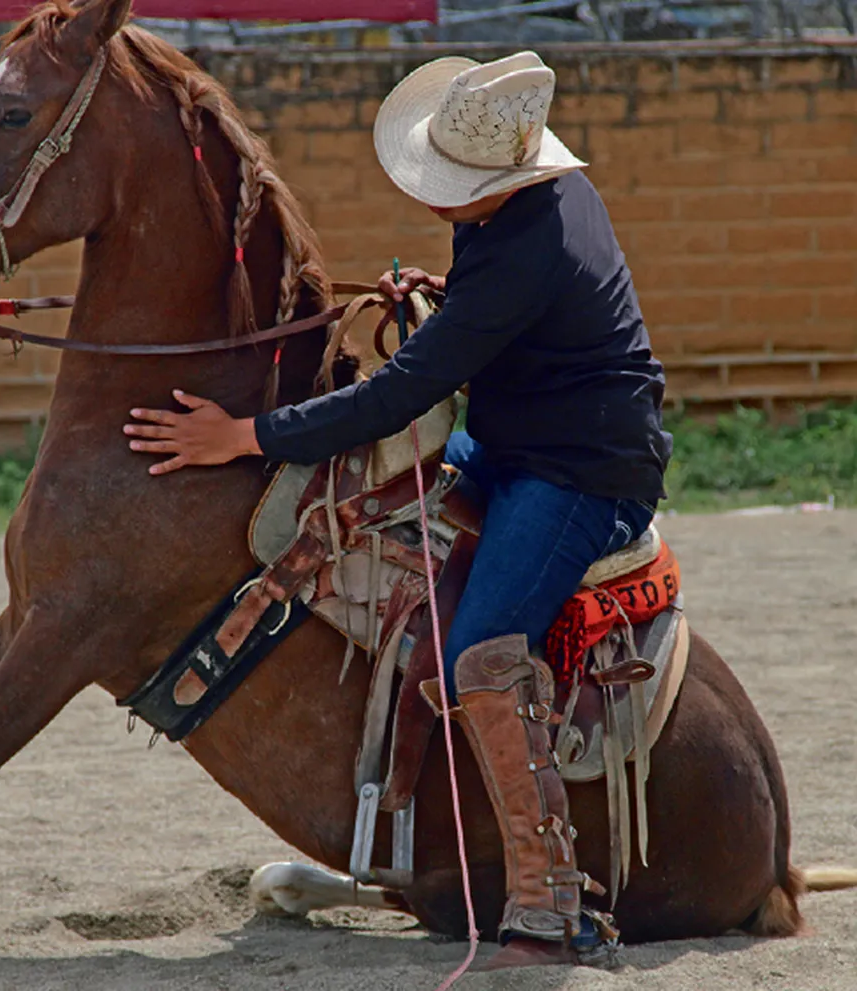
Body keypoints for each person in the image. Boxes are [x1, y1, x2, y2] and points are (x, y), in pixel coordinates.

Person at [124, 51, 671, 968]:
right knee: (360, 501)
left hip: (580, 474)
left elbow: (399, 394)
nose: (434, 195)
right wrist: (450, 303)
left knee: (480, 657)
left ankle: (548, 904)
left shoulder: (526, 245)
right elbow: (491, 327)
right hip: (511, 441)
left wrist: (244, 437)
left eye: (447, 183)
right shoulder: (526, 211)